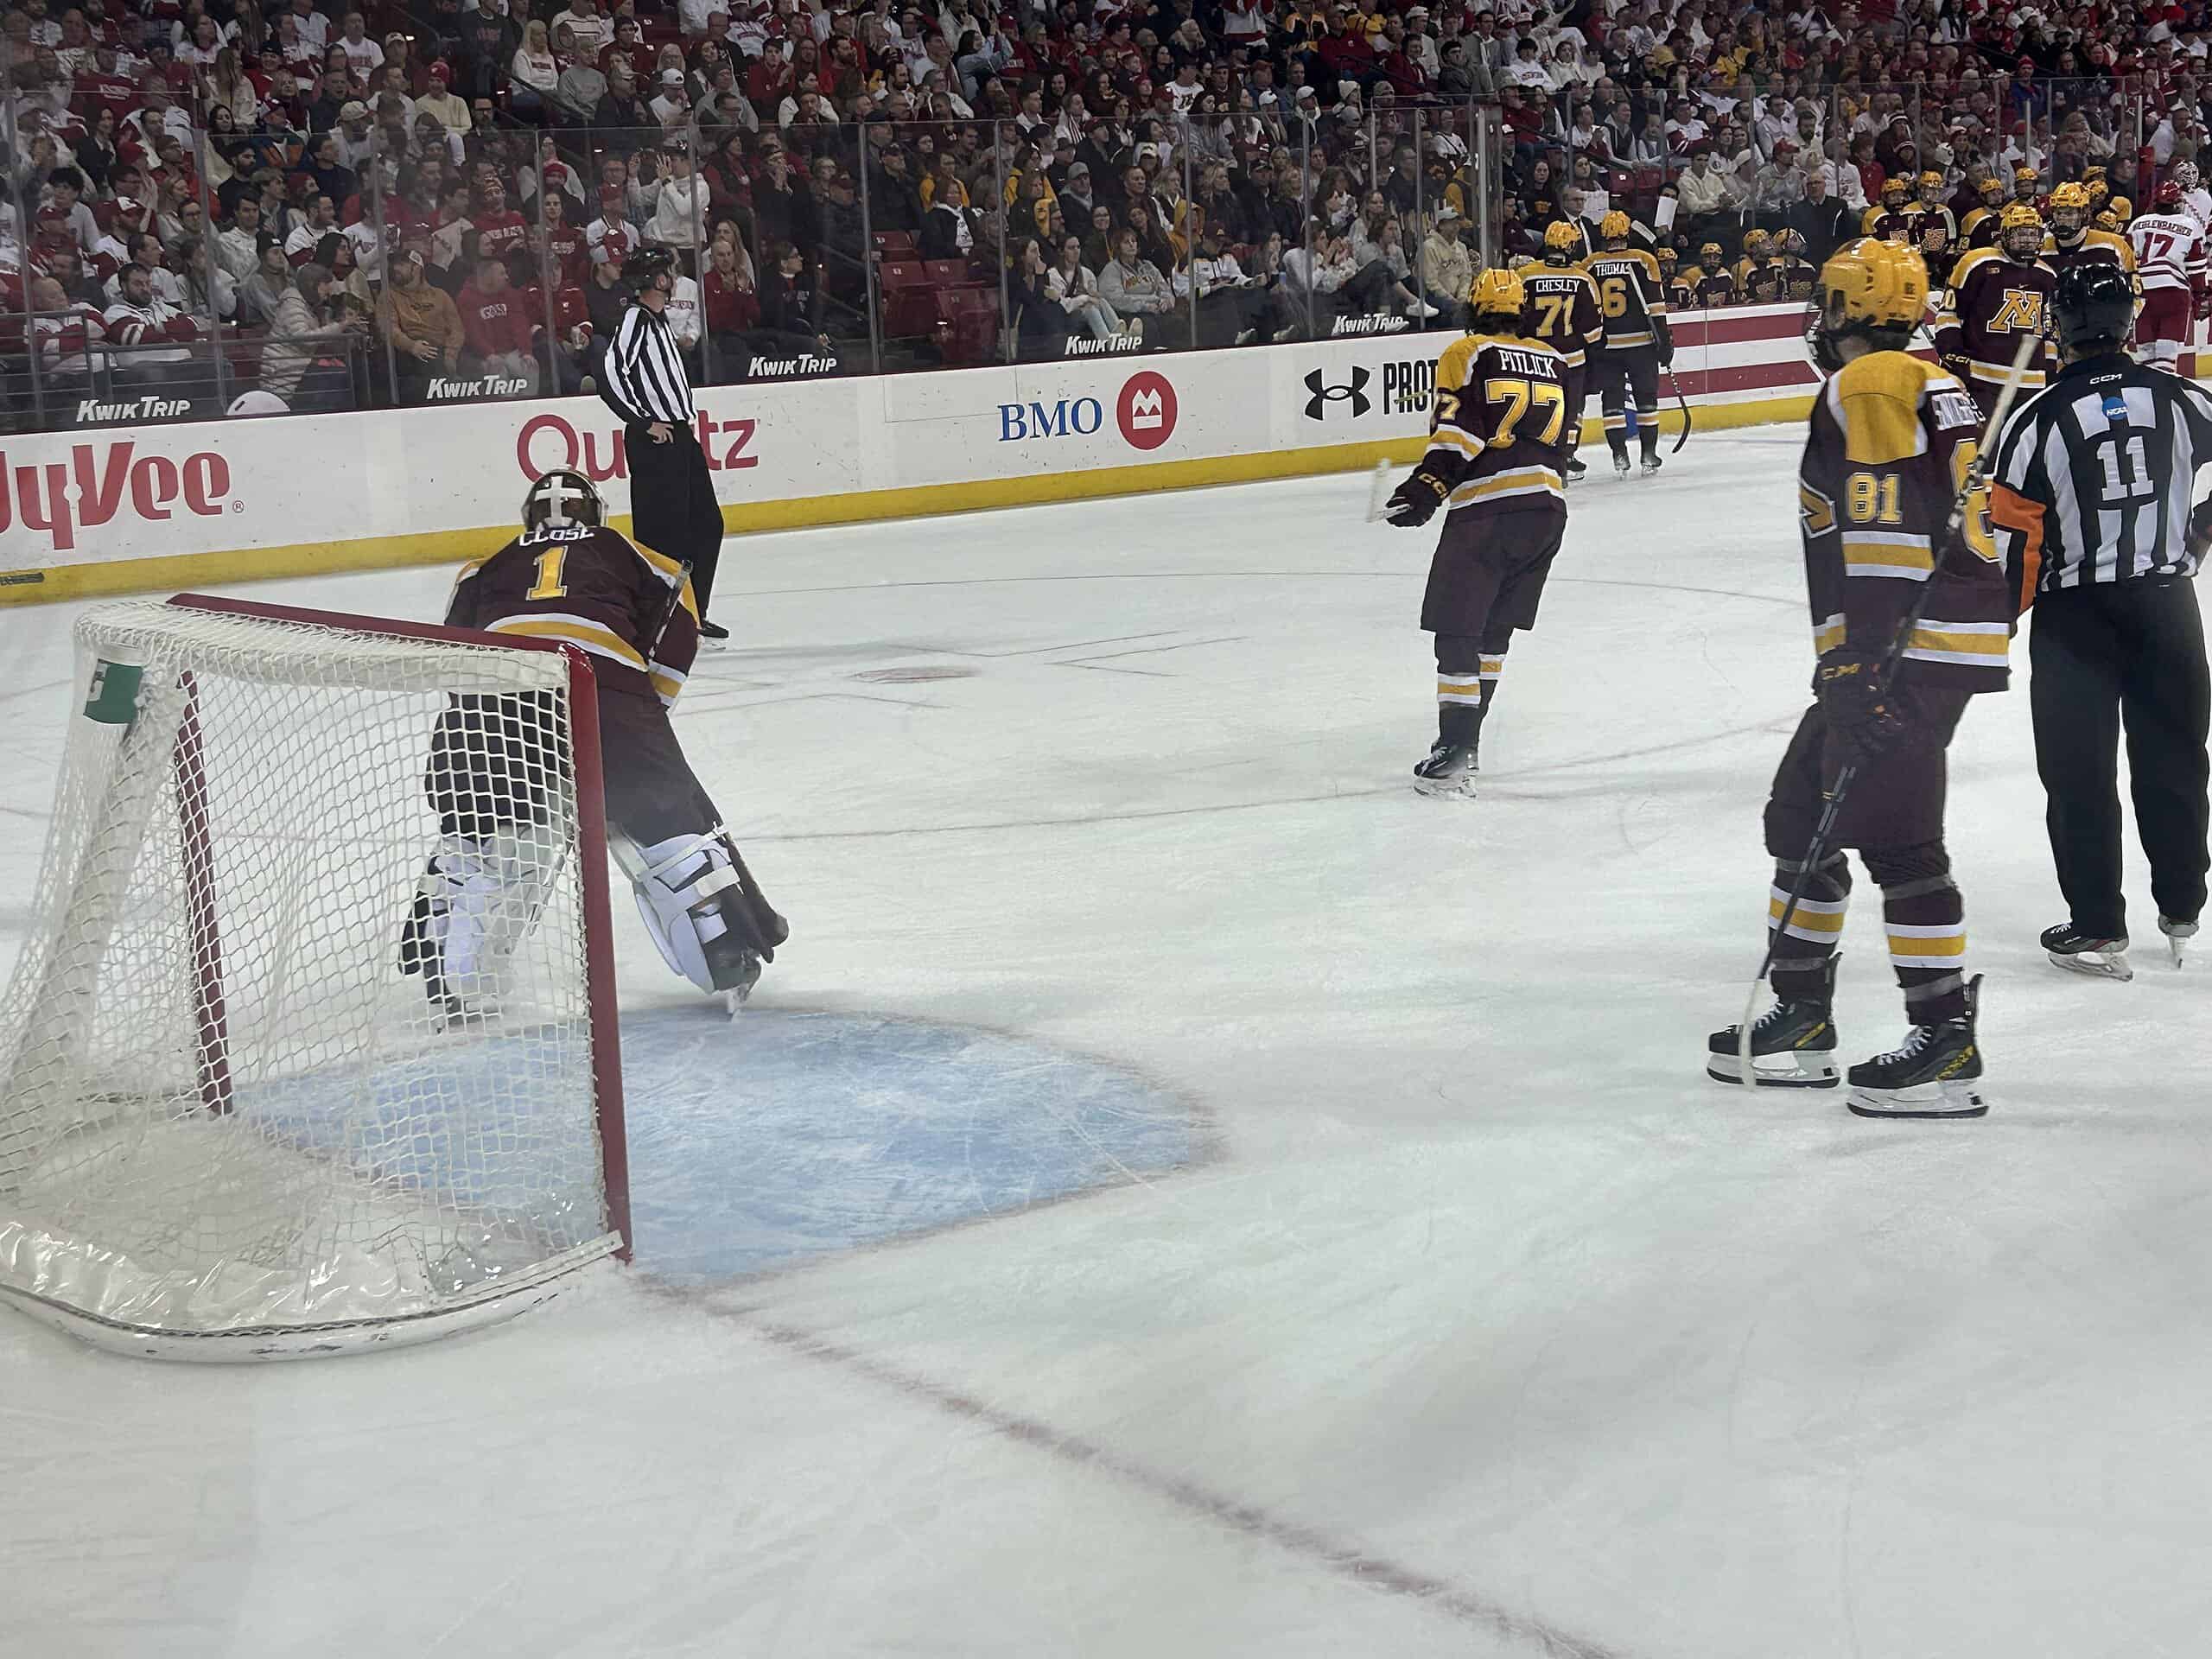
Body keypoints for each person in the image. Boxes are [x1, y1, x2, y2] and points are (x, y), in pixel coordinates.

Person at [1707, 238, 2011, 1119]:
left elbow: (1880, 522)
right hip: (1912, 644)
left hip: (1898, 650)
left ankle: (1944, 1041)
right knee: (1800, 813)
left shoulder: (1870, 382)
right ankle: (1803, 1018)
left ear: (1843, 308)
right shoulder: (1928, 380)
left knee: (1898, 837)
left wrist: (1856, 658)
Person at [407, 469, 786, 1016]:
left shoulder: (483, 567)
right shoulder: (632, 553)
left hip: (489, 698)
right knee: (667, 828)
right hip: (601, 684)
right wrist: (641, 714)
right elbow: (680, 625)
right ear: (597, 516)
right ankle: (722, 950)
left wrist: (482, 723)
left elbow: (453, 653)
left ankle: (460, 973)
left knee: (491, 839)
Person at [1989, 262, 2212, 980]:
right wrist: (2195, 539)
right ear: (2129, 321)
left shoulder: (2036, 418)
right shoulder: (2186, 400)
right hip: (2168, 609)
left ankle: (2096, 927)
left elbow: (2016, 539)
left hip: (2075, 619)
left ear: (2062, 327)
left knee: (2079, 774)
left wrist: (1996, 619)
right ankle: (2181, 907)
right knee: (2175, 760)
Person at [1381, 266, 1573, 799]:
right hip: (1548, 510)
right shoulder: (1554, 360)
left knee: (1458, 631)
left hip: (1489, 511)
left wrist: (1427, 488)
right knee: (1493, 636)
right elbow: (1569, 436)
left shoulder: (1467, 352)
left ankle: (1456, 750)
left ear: (1474, 309)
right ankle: (1469, 744)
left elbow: (1459, 429)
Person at [599, 244, 729, 639]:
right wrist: (643, 423)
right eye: (665, 273)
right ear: (651, 279)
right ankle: (656, 623)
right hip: (658, 440)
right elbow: (610, 375)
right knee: (663, 536)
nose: (671, 280)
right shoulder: (636, 320)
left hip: (680, 436)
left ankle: (689, 613)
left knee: (706, 524)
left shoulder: (659, 323)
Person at [1932, 205, 2056, 426]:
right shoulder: (1977, 263)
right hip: (1982, 377)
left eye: (2033, 234)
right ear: (2006, 236)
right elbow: (1950, 312)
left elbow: (2048, 329)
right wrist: (1952, 354)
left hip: (2030, 383)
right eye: (2021, 234)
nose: (2027, 241)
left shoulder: (2047, 275)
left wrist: (2049, 368)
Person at [1582, 210, 1671, 478]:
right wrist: (1664, 340)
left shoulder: (1588, 264)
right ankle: (1648, 453)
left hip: (1605, 345)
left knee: (1612, 401)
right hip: (1640, 345)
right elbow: (1655, 306)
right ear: (1626, 234)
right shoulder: (1643, 260)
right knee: (1646, 399)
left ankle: (1619, 455)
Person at [1518, 219, 1604, 482]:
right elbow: (1593, 331)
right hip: (1571, 360)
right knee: (1571, 409)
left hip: (1534, 359)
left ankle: (1535, 457)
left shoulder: (1525, 275)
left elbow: (1514, 317)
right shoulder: (1582, 279)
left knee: (1536, 407)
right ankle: (1565, 457)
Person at [2126, 182, 2207, 375]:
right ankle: (2164, 397)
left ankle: (2145, 397)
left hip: (2141, 291)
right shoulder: (2189, 225)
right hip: (2173, 292)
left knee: (2146, 354)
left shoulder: (2138, 223)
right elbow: (2196, 267)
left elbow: (2124, 257)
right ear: (2178, 203)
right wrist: (2200, 293)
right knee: (2166, 356)